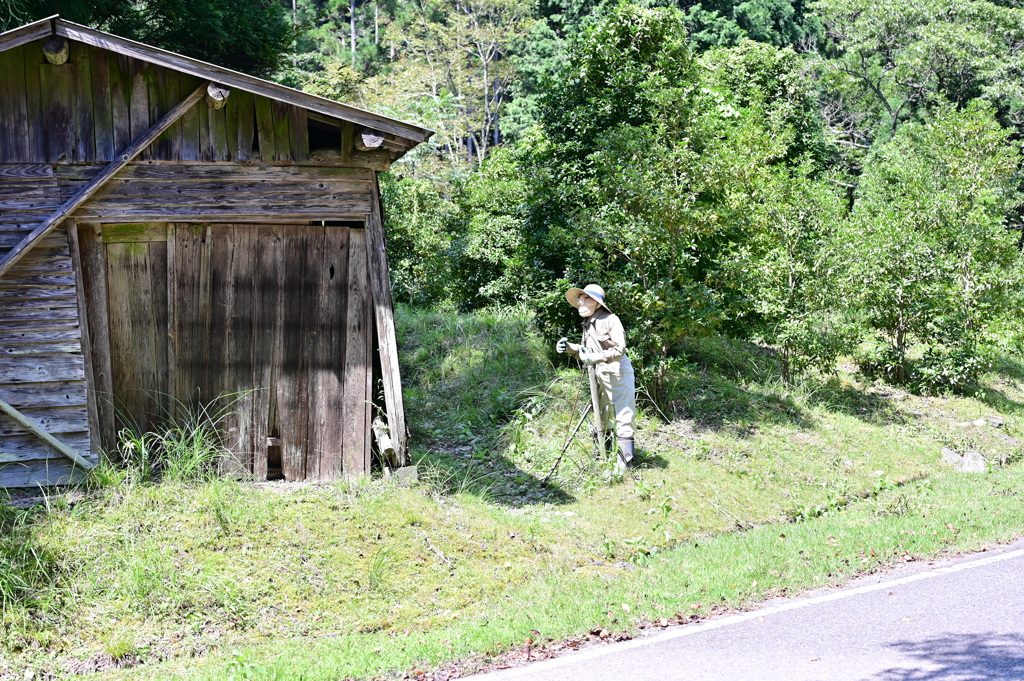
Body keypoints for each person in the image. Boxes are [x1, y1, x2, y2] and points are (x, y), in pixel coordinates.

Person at [556, 284, 636, 470]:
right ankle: (602, 454)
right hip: (598, 373)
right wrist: (569, 348)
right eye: (580, 298)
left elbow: (619, 349)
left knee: (623, 414)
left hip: (617, 371)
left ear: (598, 303)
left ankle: (625, 465)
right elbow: (587, 351)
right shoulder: (588, 322)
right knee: (601, 413)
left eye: (587, 298)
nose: (581, 302)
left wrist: (595, 358)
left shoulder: (611, 319)